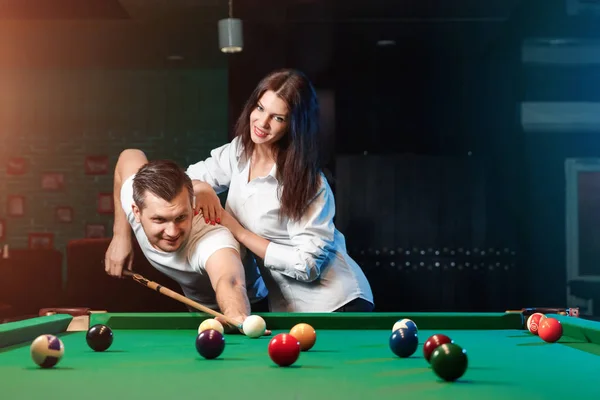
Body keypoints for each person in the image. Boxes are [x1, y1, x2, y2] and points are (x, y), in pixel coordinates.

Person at [186, 68, 374, 312]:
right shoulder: (239, 152)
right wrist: (201, 186)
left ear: (294, 125)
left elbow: (308, 265)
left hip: (337, 304)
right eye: (260, 108)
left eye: (278, 118)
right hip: (287, 309)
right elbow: (183, 181)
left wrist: (239, 232)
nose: (262, 123)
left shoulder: (309, 183)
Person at [104, 150, 268, 327]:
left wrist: (236, 317)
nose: (172, 231)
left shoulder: (210, 237)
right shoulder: (134, 195)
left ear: (192, 205)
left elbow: (230, 280)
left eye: (181, 217)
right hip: (198, 313)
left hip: (251, 309)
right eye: (159, 219)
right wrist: (120, 236)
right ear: (137, 211)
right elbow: (129, 156)